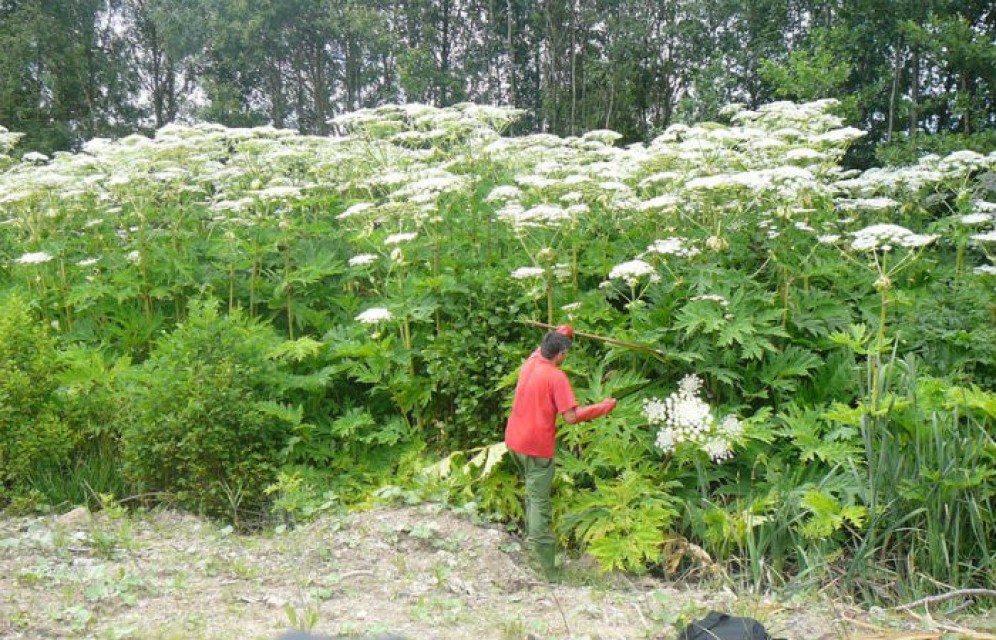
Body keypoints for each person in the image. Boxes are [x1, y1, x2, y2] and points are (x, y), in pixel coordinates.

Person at [504, 324, 617, 580]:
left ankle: (530, 546)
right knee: (540, 504)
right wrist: (604, 407)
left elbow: (548, 344)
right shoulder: (556, 377)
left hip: (514, 442)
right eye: (566, 353)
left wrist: (563, 331)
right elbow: (571, 417)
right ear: (561, 354)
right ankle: (546, 571)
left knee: (532, 493)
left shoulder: (532, 361)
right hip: (536, 449)